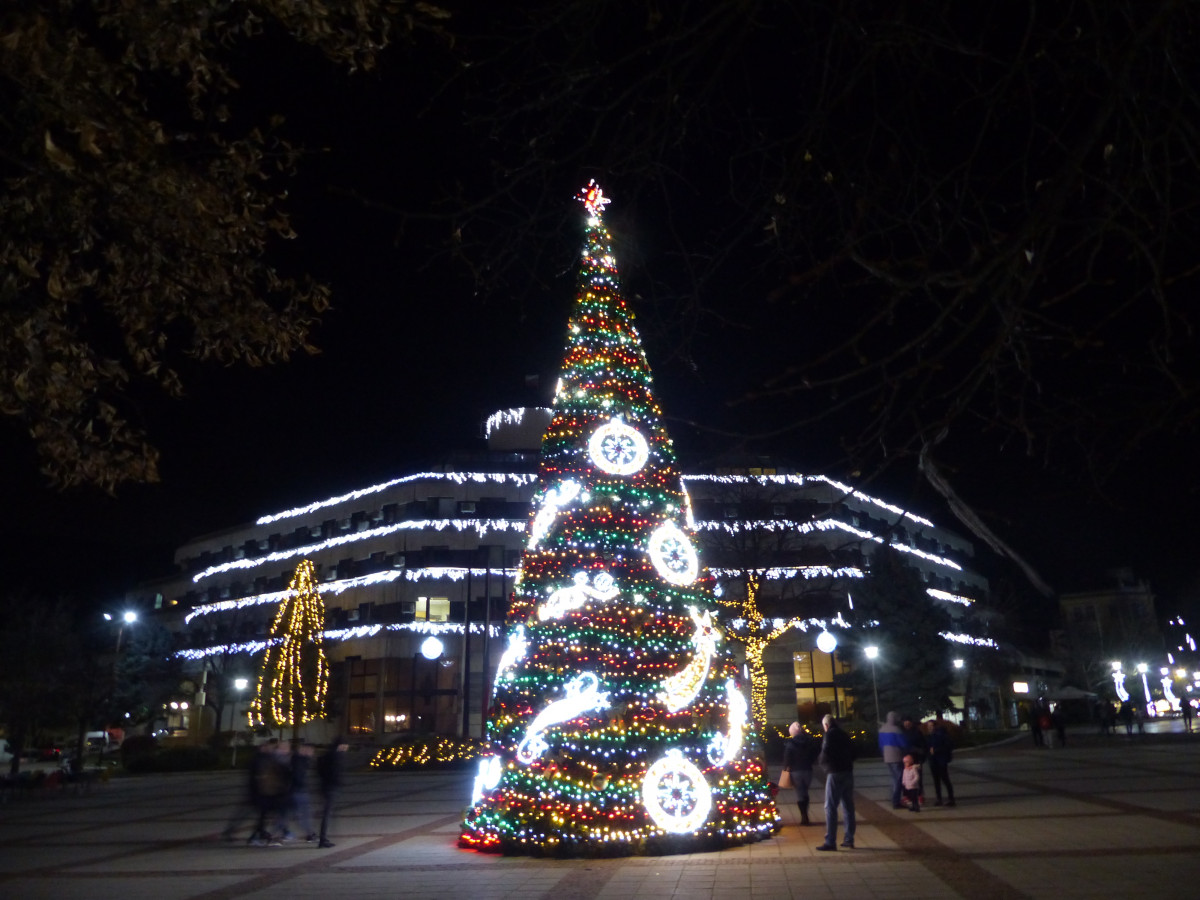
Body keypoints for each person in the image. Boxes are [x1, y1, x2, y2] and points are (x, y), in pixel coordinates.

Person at [815, 714, 855, 851]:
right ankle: (849, 839)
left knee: (830, 807)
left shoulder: (829, 735)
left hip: (835, 772)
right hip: (847, 771)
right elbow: (854, 751)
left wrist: (823, 765)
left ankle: (830, 841)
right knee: (848, 806)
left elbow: (825, 752)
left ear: (826, 725)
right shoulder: (844, 734)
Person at [783, 721, 821, 826]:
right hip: (808, 770)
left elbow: (787, 758)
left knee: (800, 793)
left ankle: (804, 816)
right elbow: (815, 753)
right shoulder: (809, 741)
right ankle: (806, 813)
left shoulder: (790, 743)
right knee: (805, 792)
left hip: (796, 771)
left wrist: (785, 769)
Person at [317, 736, 348, 848]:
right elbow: (335, 772)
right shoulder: (336, 756)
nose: (346, 749)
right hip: (331, 787)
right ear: (340, 746)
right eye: (345, 747)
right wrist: (338, 782)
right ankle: (323, 839)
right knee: (327, 814)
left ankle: (323, 838)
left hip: (326, 786)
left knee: (328, 813)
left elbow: (321, 769)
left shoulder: (328, 755)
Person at [287, 741, 317, 842]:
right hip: (298, 791)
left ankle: (310, 834)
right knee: (303, 814)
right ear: (305, 749)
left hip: (298, 790)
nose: (312, 753)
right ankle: (309, 834)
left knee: (299, 814)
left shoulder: (300, 759)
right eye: (311, 750)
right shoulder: (299, 760)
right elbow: (298, 776)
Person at [878, 711, 906, 809]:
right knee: (898, 780)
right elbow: (903, 744)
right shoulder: (896, 730)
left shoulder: (882, 729)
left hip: (887, 757)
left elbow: (881, 745)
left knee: (894, 778)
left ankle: (894, 799)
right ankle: (896, 801)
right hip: (896, 757)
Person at [925, 716, 956, 807]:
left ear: (935, 726)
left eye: (931, 725)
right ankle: (939, 798)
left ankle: (951, 799)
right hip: (933, 761)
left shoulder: (941, 735)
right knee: (936, 781)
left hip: (941, 761)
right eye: (928, 726)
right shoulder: (929, 736)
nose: (929, 727)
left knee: (945, 779)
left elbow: (948, 746)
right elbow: (927, 748)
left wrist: (936, 750)